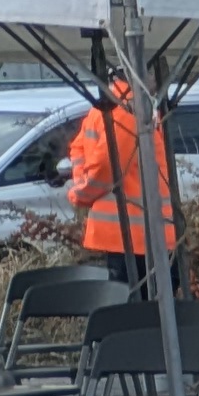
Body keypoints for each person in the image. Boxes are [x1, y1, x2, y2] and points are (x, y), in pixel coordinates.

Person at [62, 73, 171, 279]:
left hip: (128, 236)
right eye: (152, 71)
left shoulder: (115, 106)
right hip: (133, 238)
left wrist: (81, 189)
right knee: (137, 298)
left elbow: (79, 150)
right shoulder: (128, 109)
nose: (158, 76)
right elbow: (107, 166)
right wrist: (81, 193)